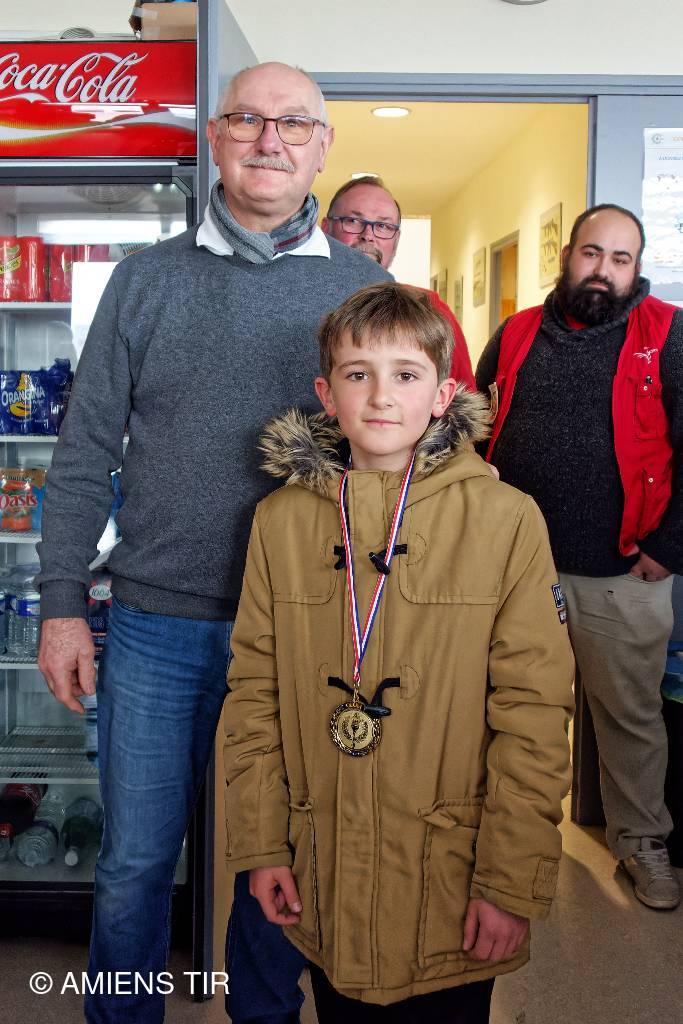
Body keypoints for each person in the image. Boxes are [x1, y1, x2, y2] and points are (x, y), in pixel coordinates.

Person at [36, 61, 389, 1024]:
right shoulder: (144, 282)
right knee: (134, 863)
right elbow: (83, 453)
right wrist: (61, 605)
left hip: (307, 630)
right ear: (215, 138)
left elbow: (400, 457)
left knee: (280, 865)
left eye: (293, 123)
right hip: (155, 626)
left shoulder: (363, 287)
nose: (269, 139)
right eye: (246, 119)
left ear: (322, 146)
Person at [224, 282, 575, 1022]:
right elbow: (254, 693)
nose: (381, 396)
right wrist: (260, 846)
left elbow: (535, 713)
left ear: (443, 394)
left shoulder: (506, 520)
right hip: (322, 867)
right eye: (358, 374)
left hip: (450, 880)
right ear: (327, 394)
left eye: (406, 374)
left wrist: (509, 882)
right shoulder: (279, 522)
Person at [476, 203, 683, 911]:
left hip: (622, 568)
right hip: (514, 568)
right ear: (567, 256)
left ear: (636, 269)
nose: (603, 270)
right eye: (592, 253)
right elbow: (473, 424)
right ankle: (504, 839)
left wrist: (667, 547)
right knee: (512, 709)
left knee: (628, 716)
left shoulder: (668, 334)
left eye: (620, 259)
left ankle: (641, 843)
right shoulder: (515, 333)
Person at [322, 176, 476, 389]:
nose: (368, 235)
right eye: (353, 221)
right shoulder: (293, 298)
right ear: (326, 228)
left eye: (383, 226)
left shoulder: (430, 308)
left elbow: (463, 396)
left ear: (396, 240)